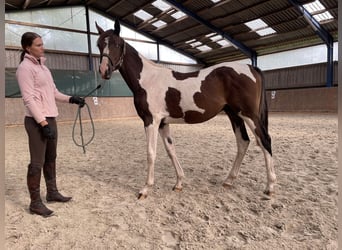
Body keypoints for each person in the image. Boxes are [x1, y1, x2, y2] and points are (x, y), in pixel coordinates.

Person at [16, 32, 85, 217]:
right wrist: (43, 123)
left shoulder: (44, 68)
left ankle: (52, 192)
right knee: (36, 163)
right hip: (36, 121)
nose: (42, 47)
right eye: (38, 45)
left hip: (50, 118)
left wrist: (71, 99)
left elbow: (54, 92)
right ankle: (35, 203)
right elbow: (29, 99)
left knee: (51, 158)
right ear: (27, 48)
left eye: (42, 43)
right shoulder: (24, 69)